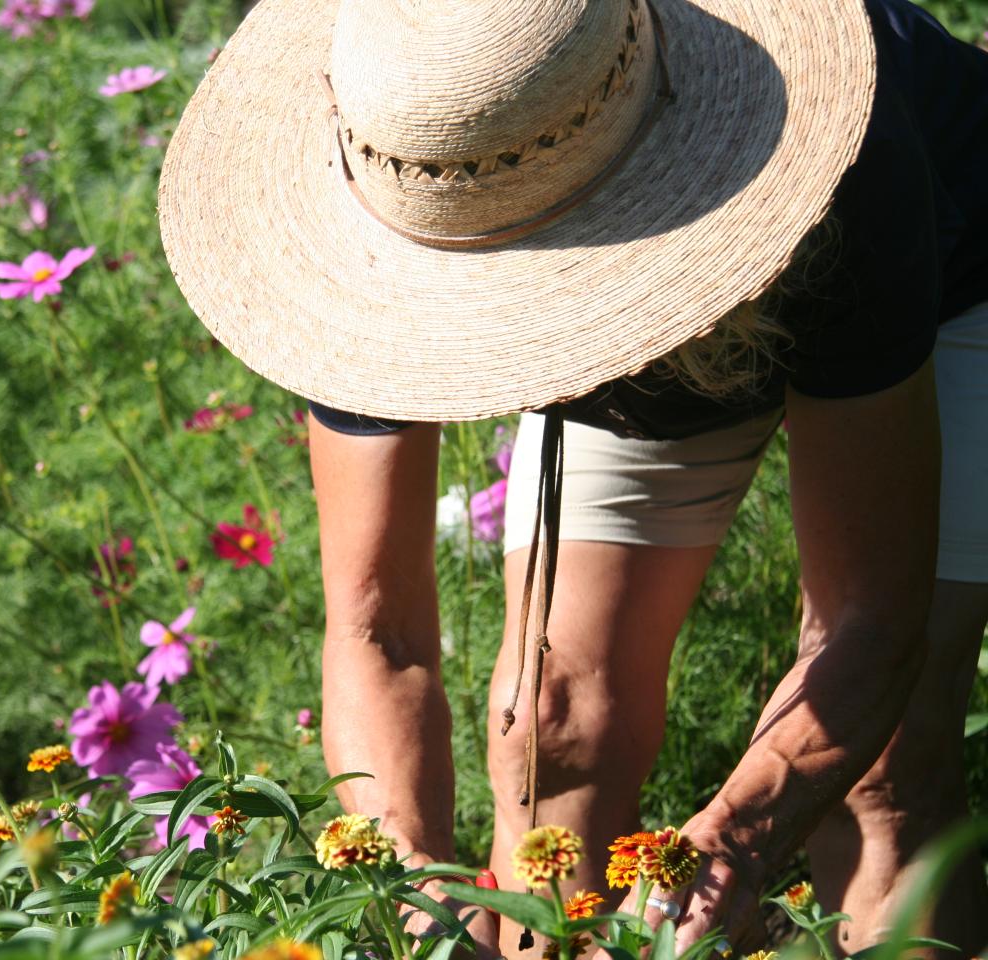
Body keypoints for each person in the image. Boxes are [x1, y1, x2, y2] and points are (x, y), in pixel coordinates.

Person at [158, 0, 988, 956]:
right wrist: (413, 889)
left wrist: (733, 844)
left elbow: (871, 623)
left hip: (941, 271)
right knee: (549, 730)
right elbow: (373, 626)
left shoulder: (847, 146)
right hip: (617, 228)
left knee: (881, 776)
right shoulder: (391, 158)